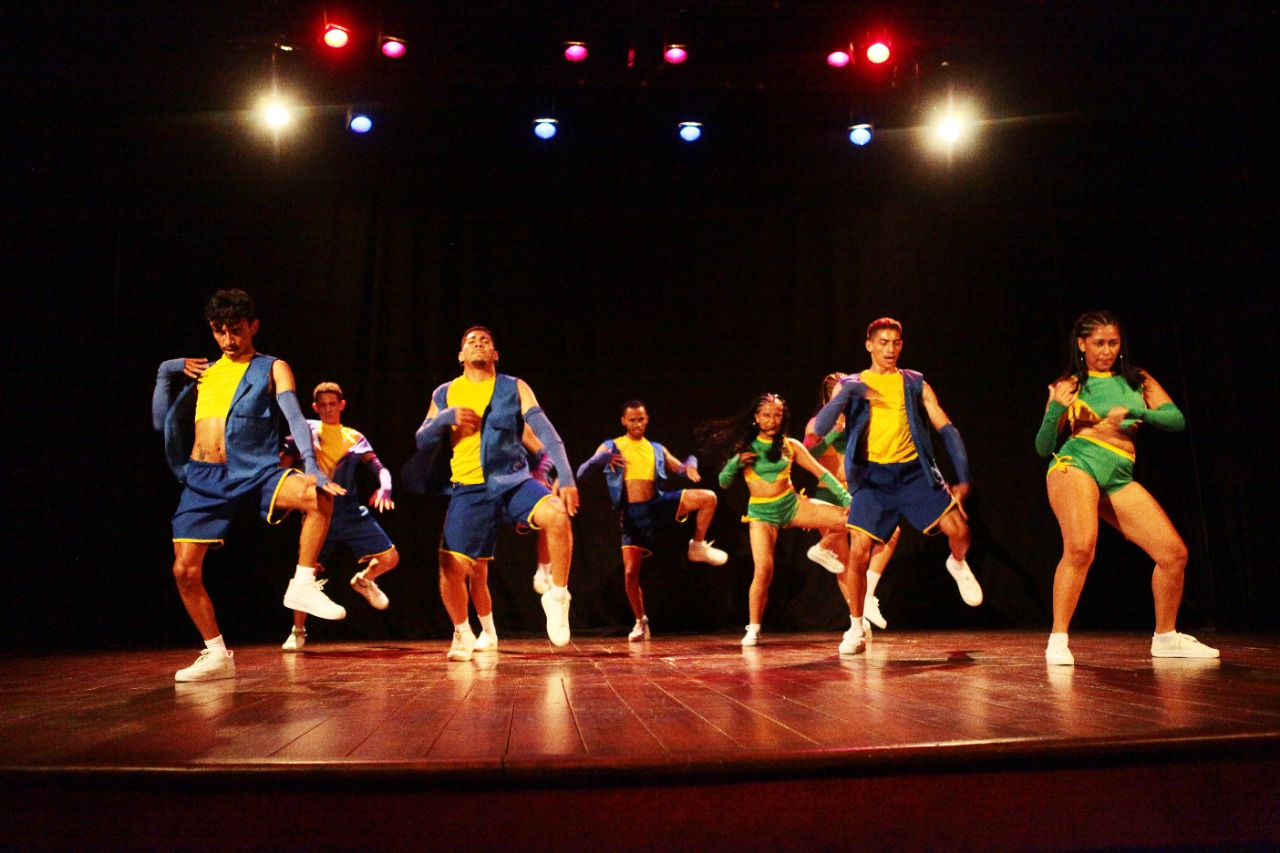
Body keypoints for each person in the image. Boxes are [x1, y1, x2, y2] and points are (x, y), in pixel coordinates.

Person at [151, 289, 347, 682]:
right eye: (219, 331)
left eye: (236, 330)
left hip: (253, 469)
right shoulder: (205, 373)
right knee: (184, 571)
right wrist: (165, 371)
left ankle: (303, 584)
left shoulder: (272, 367)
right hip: (204, 478)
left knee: (318, 495)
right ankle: (216, 654)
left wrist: (312, 466)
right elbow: (161, 422)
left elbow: (294, 418)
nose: (228, 339)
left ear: (253, 326)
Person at [1035, 311, 1217, 665]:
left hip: (1118, 474)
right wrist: (1055, 409)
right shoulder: (1069, 384)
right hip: (1077, 464)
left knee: (1173, 555)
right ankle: (1057, 640)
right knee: (1081, 548)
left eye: (1113, 343)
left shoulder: (1139, 380)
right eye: (1099, 343)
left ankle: (1166, 638)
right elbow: (1043, 447)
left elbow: (1176, 420)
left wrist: (1138, 414)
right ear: (1082, 344)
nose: (1107, 351)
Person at [813, 317, 983, 656]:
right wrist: (847, 392)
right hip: (873, 480)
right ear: (869, 345)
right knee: (859, 551)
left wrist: (963, 477)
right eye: (883, 342)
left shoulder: (915, 382)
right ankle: (856, 625)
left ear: (901, 346)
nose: (890, 349)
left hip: (913, 475)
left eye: (895, 343)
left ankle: (957, 562)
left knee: (961, 531)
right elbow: (820, 427)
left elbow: (946, 427)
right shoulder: (851, 383)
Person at [412, 326, 579, 661]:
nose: (478, 343)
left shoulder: (514, 387)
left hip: (512, 482)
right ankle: (463, 632)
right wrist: (445, 418)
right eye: (470, 341)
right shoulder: (445, 392)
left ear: (495, 354)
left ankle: (558, 597)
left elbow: (545, 432)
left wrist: (566, 476)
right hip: (469, 489)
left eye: (485, 341)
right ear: (460, 355)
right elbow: (422, 439)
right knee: (452, 568)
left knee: (557, 514)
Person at [700, 394, 864, 652]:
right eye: (766, 415)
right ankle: (754, 628)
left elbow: (821, 472)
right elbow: (723, 482)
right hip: (761, 514)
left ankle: (822, 549)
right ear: (756, 418)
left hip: (791, 505)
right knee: (764, 570)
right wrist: (734, 464)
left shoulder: (791, 445)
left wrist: (846, 499)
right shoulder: (747, 447)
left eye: (777, 415)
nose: (772, 420)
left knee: (854, 520)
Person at [576, 401, 728, 641]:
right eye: (632, 420)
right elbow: (581, 473)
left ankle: (697, 545)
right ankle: (641, 622)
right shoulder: (612, 446)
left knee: (709, 498)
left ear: (647, 419)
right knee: (630, 573)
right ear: (623, 421)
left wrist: (691, 463)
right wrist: (601, 459)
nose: (637, 424)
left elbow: (681, 468)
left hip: (657, 503)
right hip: (633, 515)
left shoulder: (656, 448)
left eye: (641, 419)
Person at [280, 382, 400, 652]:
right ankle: (298, 630)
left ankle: (364, 580)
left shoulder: (353, 437)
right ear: (315, 407)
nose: (328, 409)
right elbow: (282, 469)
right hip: (319, 514)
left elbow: (380, 468)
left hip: (351, 512)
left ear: (341, 405)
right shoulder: (305, 432)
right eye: (322, 405)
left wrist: (385, 487)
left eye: (332, 404)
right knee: (305, 574)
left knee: (390, 558)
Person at [804, 373, 900, 630]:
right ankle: (856, 622)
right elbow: (808, 453)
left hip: (857, 491)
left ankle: (867, 597)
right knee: (843, 562)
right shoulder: (817, 422)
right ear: (829, 396)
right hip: (828, 493)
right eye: (839, 391)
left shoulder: (858, 419)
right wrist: (831, 434)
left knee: (891, 533)